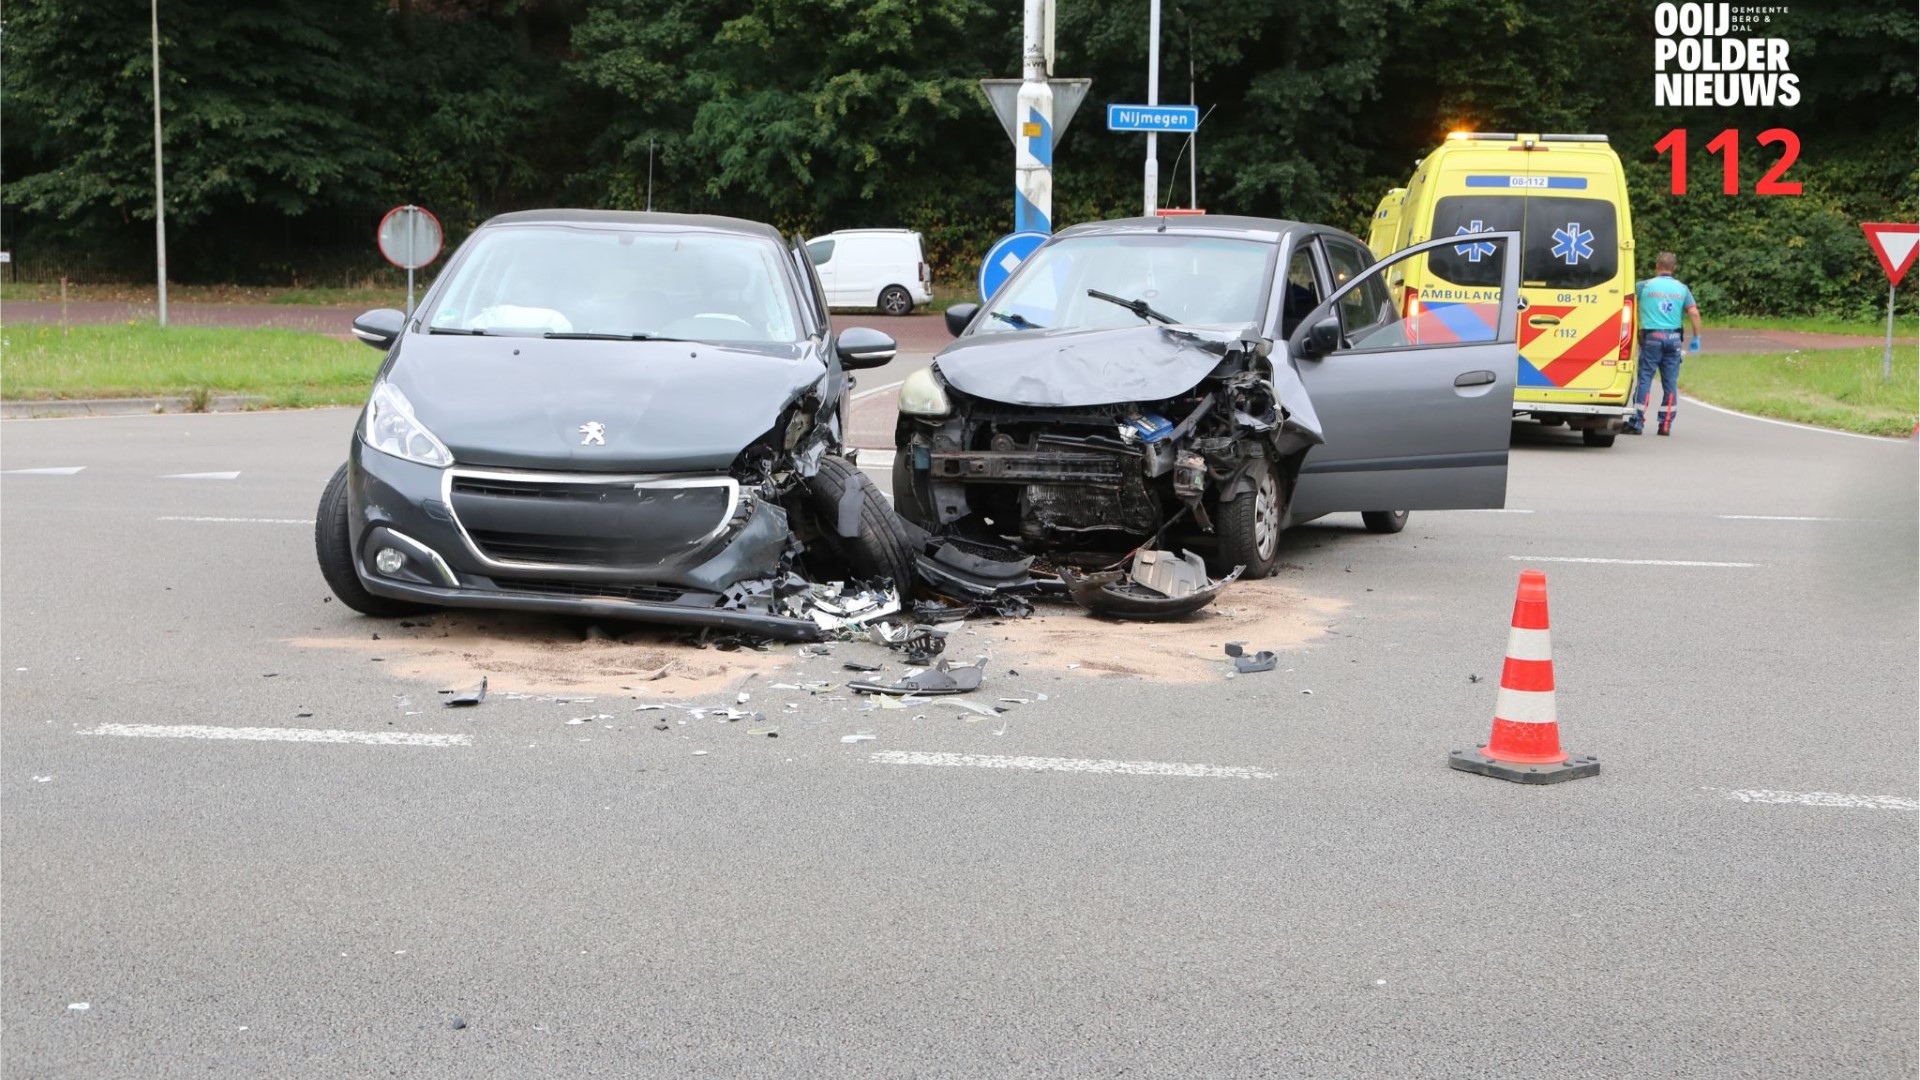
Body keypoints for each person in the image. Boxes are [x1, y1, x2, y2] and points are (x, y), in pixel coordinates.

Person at [1626, 251, 1703, 436]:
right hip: (1674, 339)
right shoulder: (1682, 288)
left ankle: (1637, 422)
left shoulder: (1644, 286)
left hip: (1652, 338)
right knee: (1670, 383)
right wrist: (1697, 337)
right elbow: (1693, 313)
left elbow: (1626, 302)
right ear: (1673, 268)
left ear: (1657, 266)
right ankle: (1666, 424)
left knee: (1645, 379)